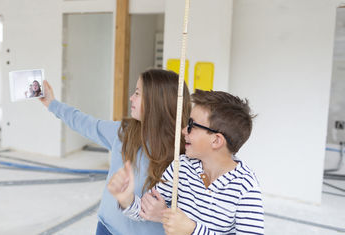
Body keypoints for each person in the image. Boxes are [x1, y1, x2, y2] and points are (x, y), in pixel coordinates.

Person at [40, 69, 191, 235]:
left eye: (138, 93)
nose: (131, 98)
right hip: (105, 228)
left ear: (157, 103)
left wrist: (164, 214)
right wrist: (51, 103)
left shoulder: (183, 155)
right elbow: (86, 123)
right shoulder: (125, 132)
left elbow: (195, 216)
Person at [108, 89, 264, 235]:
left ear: (216, 141)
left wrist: (192, 229)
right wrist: (126, 197)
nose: (183, 130)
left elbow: (187, 227)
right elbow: (146, 209)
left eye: (191, 125)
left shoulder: (245, 186)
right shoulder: (181, 165)